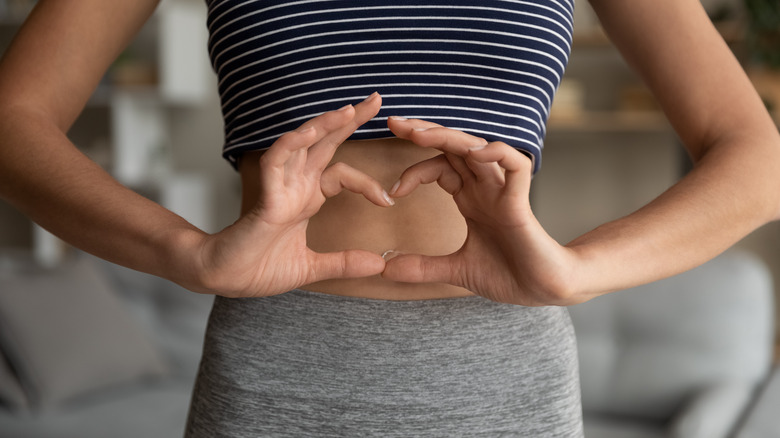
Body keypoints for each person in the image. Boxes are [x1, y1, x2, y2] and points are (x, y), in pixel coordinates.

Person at [1, 0, 778, 436]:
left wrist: (577, 271)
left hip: (502, 376)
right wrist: (190, 255)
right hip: (276, 369)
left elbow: (756, 160)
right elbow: (13, 122)